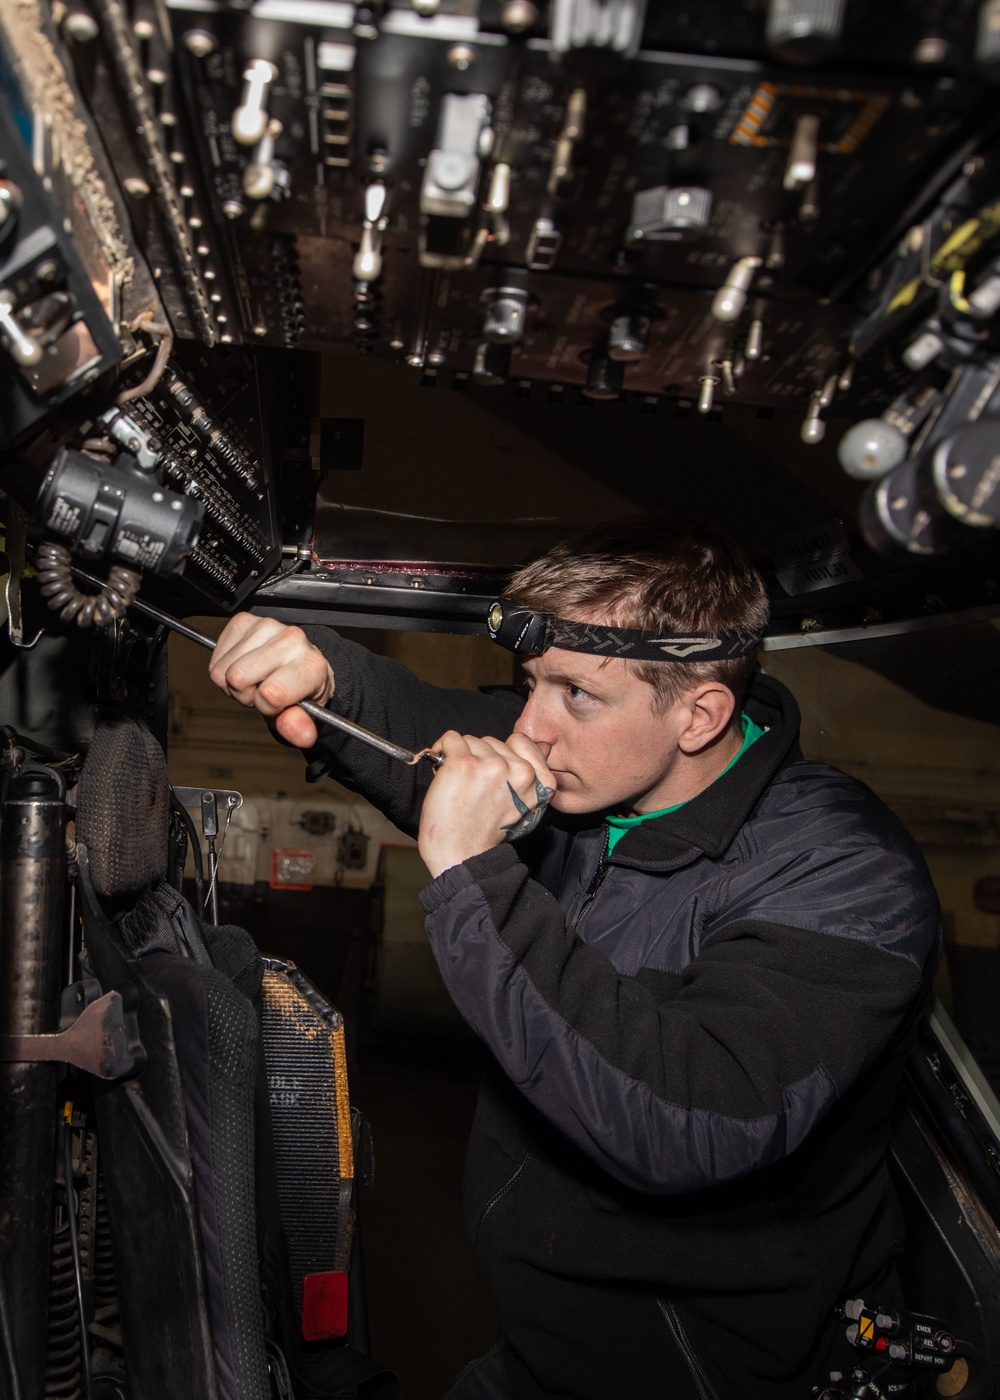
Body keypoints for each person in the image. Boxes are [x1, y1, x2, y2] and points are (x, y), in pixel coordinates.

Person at [209, 516, 942, 1400]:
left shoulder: (843, 873)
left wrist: (474, 871)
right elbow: (443, 732)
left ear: (702, 714)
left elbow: (693, 1114)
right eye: (532, 685)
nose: (531, 729)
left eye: (576, 696)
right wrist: (325, 671)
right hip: (541, 1342)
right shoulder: (604, 774)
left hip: (702, 1370)